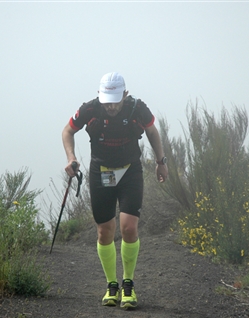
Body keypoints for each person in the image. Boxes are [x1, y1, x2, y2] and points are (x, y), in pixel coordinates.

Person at [62, 72, 168, 309]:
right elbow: (67, 131)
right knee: (104, 233)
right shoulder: (90, 109)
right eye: (106, 100)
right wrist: (71, 158)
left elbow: (152, 132)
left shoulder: (137, 109)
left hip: (130, 171)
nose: (110, 106)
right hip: (101, 172)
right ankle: (112, 285)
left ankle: (128, 284)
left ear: (125, 95)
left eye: (115, 100)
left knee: (129, 228)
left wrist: (161, 162)